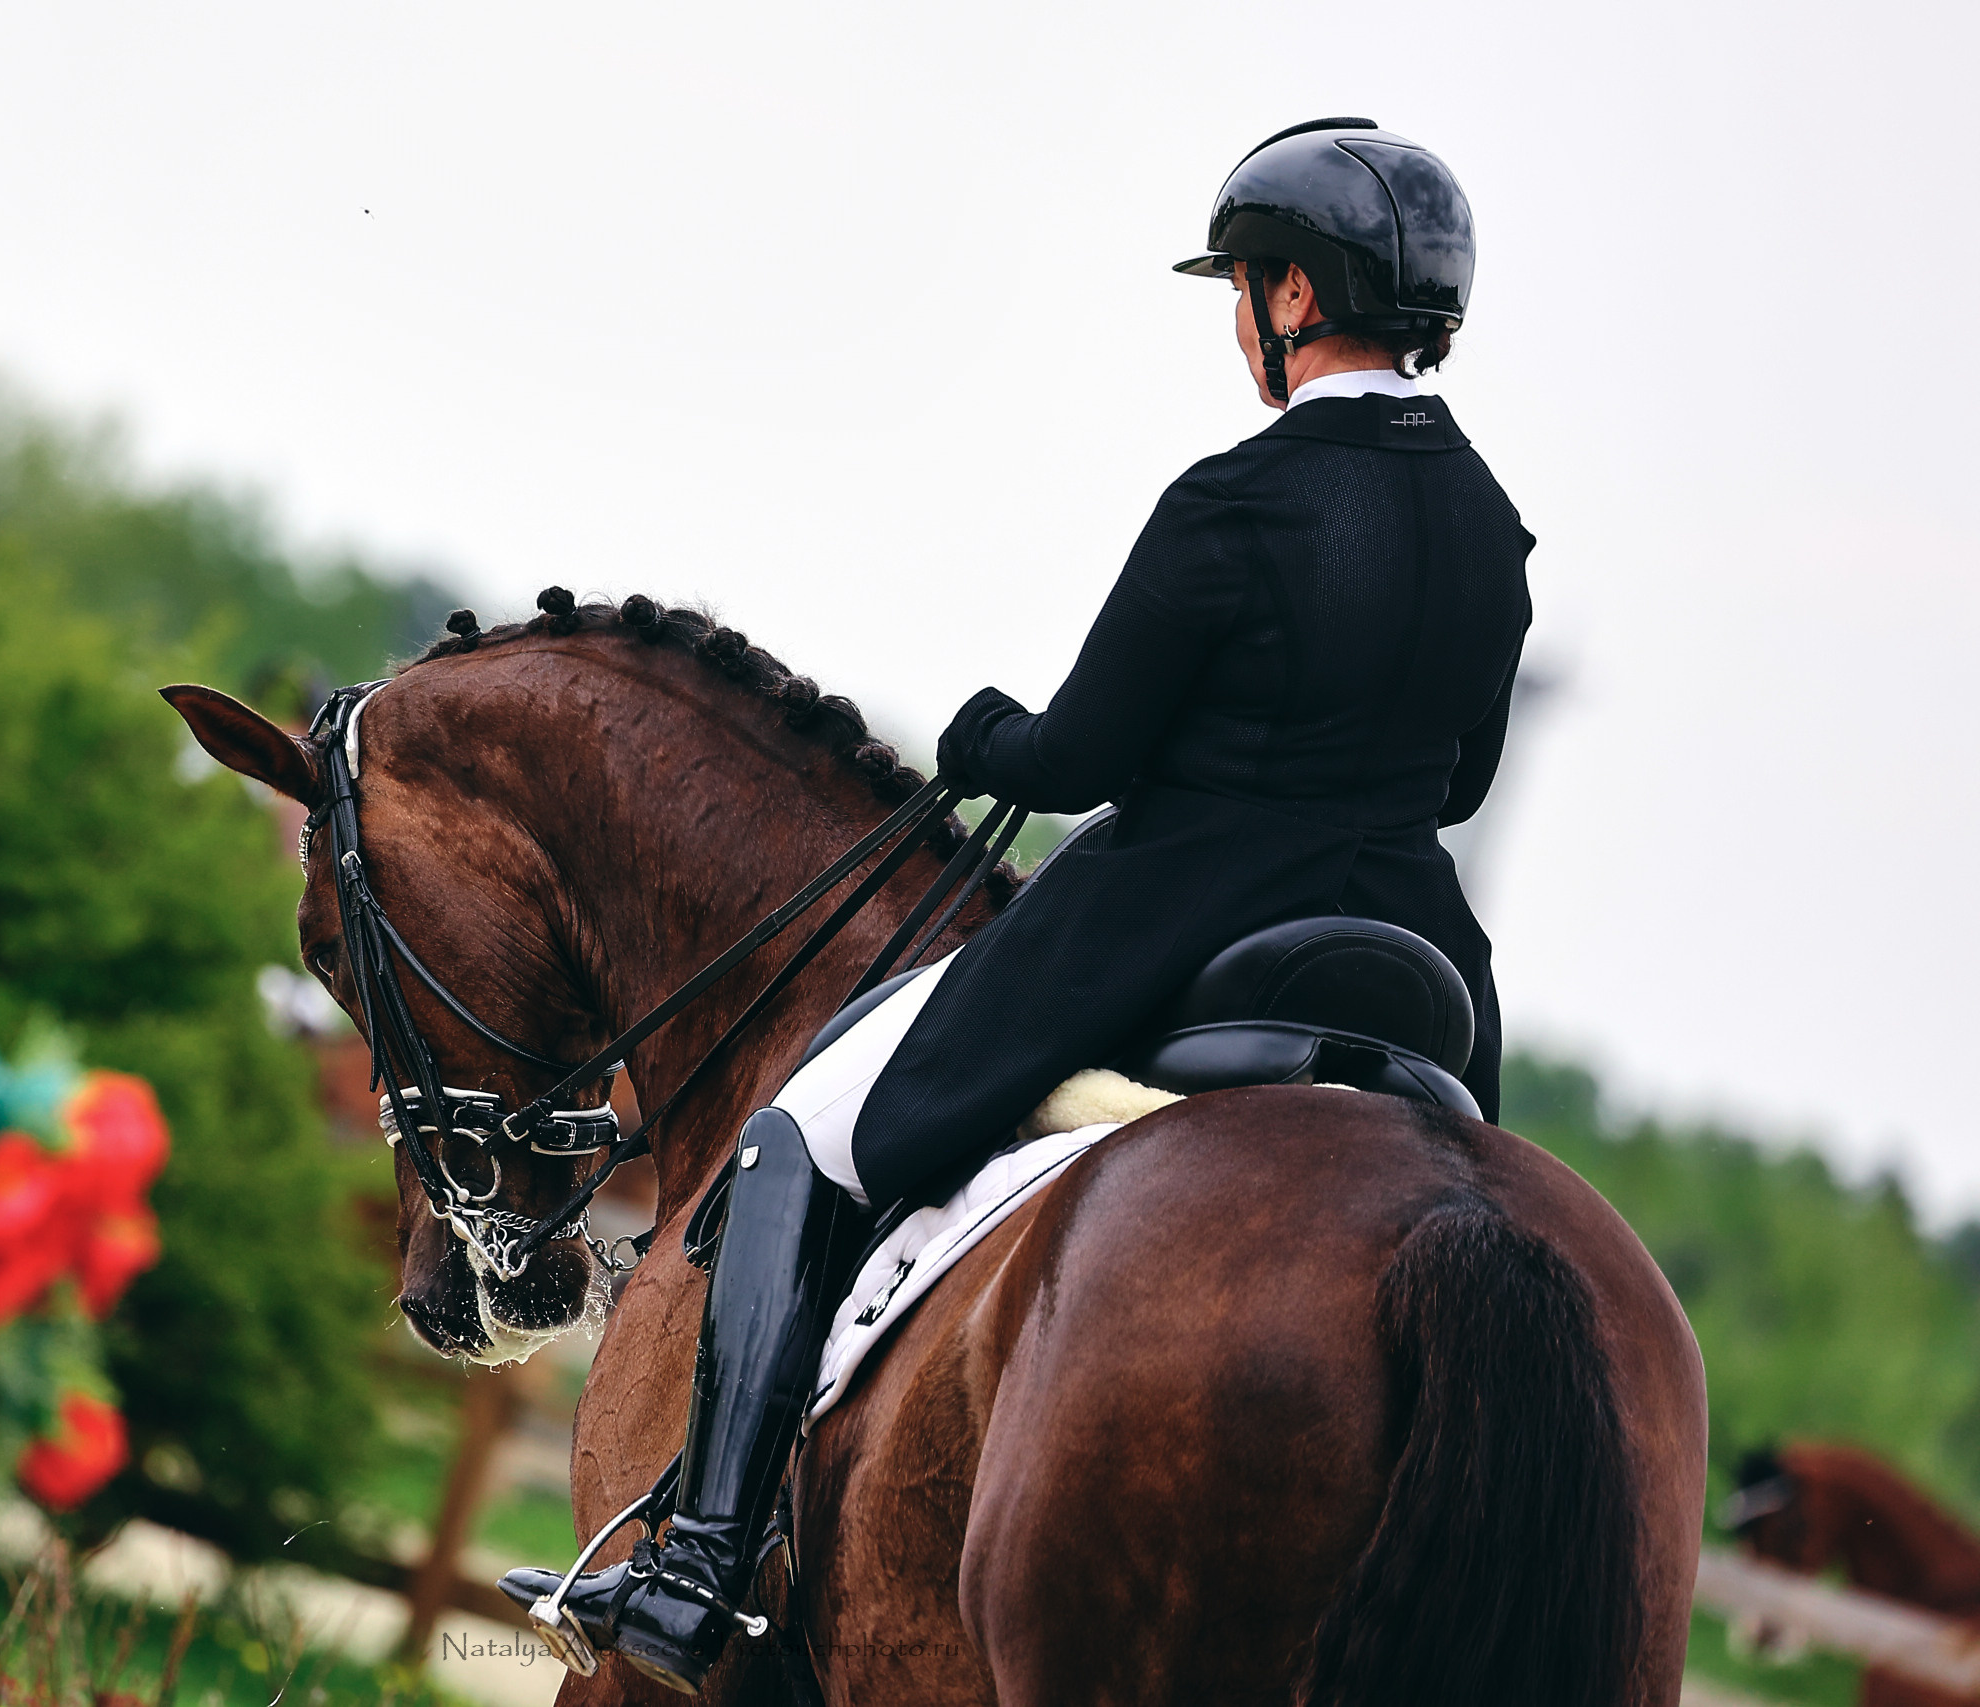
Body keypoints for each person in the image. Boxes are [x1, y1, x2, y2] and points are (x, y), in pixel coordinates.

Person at [502, 118, 1530, 1692]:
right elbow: (1457, 783)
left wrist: (991, 736)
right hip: (1411, 950)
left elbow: (1082, 755)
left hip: (1176, 906)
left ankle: (698, 1561)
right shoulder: (1489, 526)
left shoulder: (1236, 502)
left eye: (1245, 284)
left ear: (1295, 296)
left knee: (810, 1132)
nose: (1240, 317)